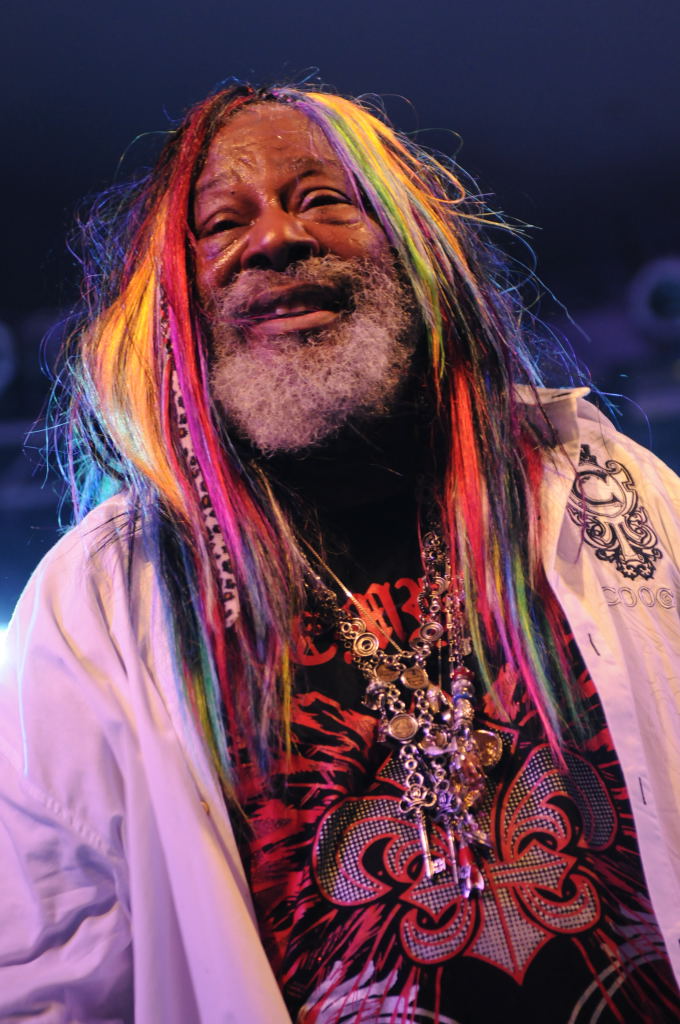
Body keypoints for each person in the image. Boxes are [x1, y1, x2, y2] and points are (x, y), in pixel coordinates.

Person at [1, 83, 679, 1024]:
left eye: (322, 199)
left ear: (413, 244)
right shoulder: (103, 598)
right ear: (173, 300)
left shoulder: (607, 486)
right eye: (222, 222)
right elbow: (42, 975)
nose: (276, 239)